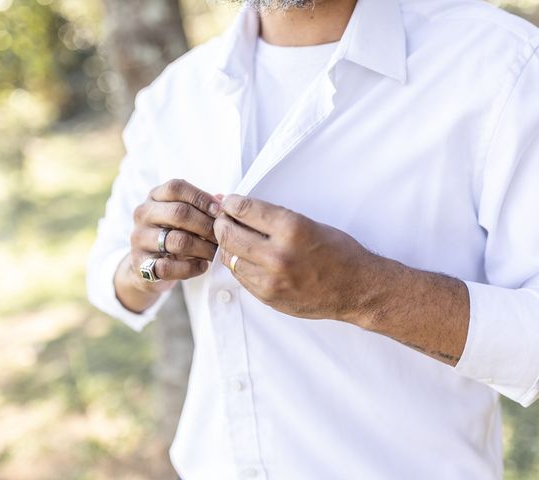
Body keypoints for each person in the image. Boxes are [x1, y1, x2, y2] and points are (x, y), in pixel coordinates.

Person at [87, 0, 539, 478]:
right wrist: (147, 265)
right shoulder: (176, 94)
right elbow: (109, 275)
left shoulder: (501, 65)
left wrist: (365, 292)